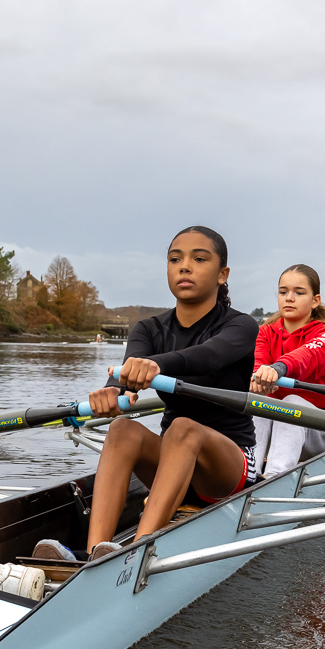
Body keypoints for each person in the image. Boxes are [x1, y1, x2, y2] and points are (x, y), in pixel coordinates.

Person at [83, 226, 259, 559]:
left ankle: (137, 553)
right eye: (175, 259)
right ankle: (95, 554)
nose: (184, 266)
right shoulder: (147, 329)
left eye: (199, 259)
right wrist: (110, 392)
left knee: (182, 427)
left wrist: (155, 366)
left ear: (223, 274)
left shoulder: (240, 326)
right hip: (172, 462)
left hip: (227, 467)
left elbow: (209, 356)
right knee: (122, 429)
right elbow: (125, 374)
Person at [249, 264, 325, 476]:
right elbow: (257, 360)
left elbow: (306, 356)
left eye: (298, 293)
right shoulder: (264, 332)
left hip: (317, 428)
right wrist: (257, 376)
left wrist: (278, 368)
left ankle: (274, 477)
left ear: (315, 300)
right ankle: (249, 473)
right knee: (258, 399)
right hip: (273, 423)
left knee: (291, 402)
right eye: (283, 292)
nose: (289, 298)